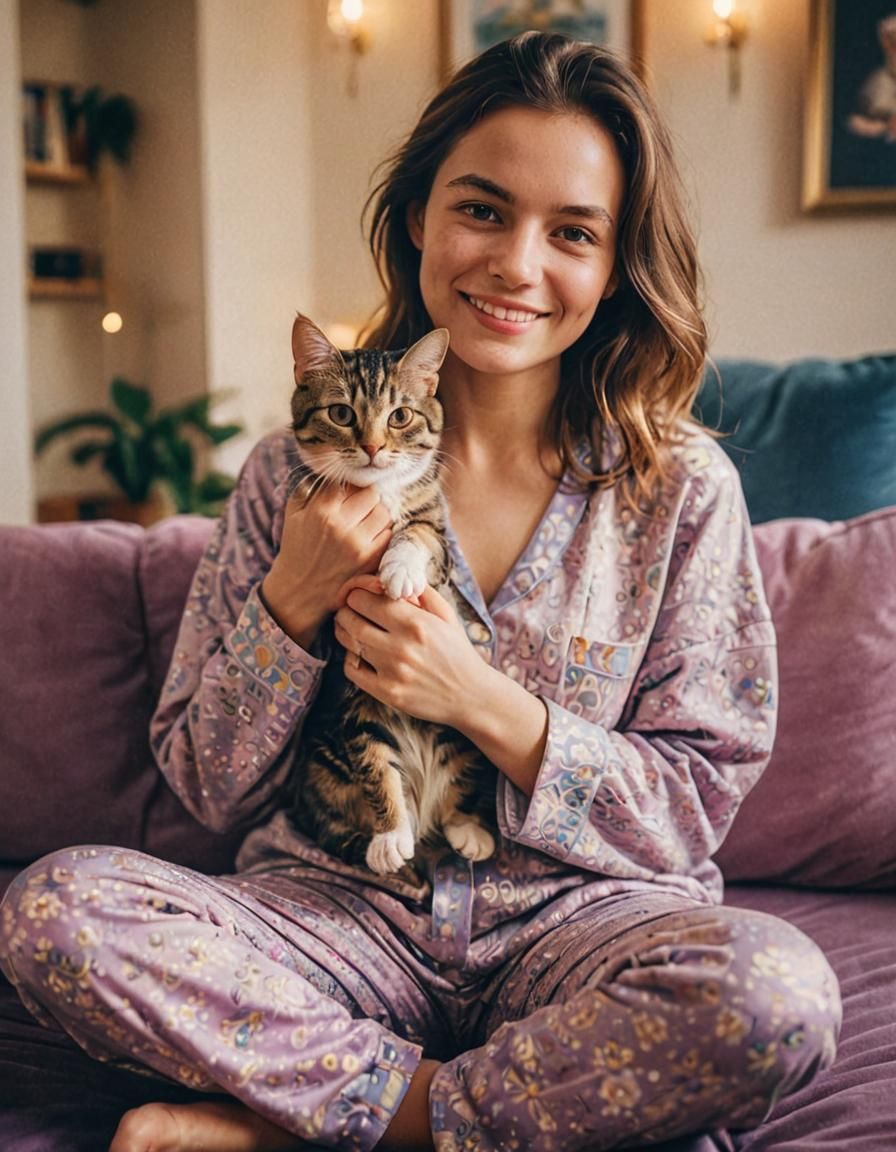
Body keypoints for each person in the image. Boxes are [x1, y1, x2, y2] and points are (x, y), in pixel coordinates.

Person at [0, 31, 840, 1152]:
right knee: (57, 911)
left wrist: (478, 699)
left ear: (614, 264)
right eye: (482, 210)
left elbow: (693, 801)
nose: (517, 265)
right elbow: (205, 786)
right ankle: (467, 1116)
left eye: (572, 232)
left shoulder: (679, 490)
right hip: (331, 918)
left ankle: (309, 1120)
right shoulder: (285, 477)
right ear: (416, 219)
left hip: (579, 926)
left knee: (775, 994)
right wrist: (290, 601)